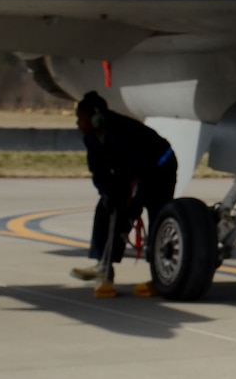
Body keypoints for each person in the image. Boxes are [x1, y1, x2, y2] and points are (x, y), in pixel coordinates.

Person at [70, 91, 177, 298]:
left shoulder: (122, 131)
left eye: (80, 118)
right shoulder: (91, 138)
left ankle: (161, 276)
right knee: (106, 209)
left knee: (158, 218)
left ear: (96, 117)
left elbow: (141, 169)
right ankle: (105, 269)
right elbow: (98, 172)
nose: (77, 123)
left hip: (159, 166)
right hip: (132, 171)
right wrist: (108, 194)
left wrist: (133, 205)